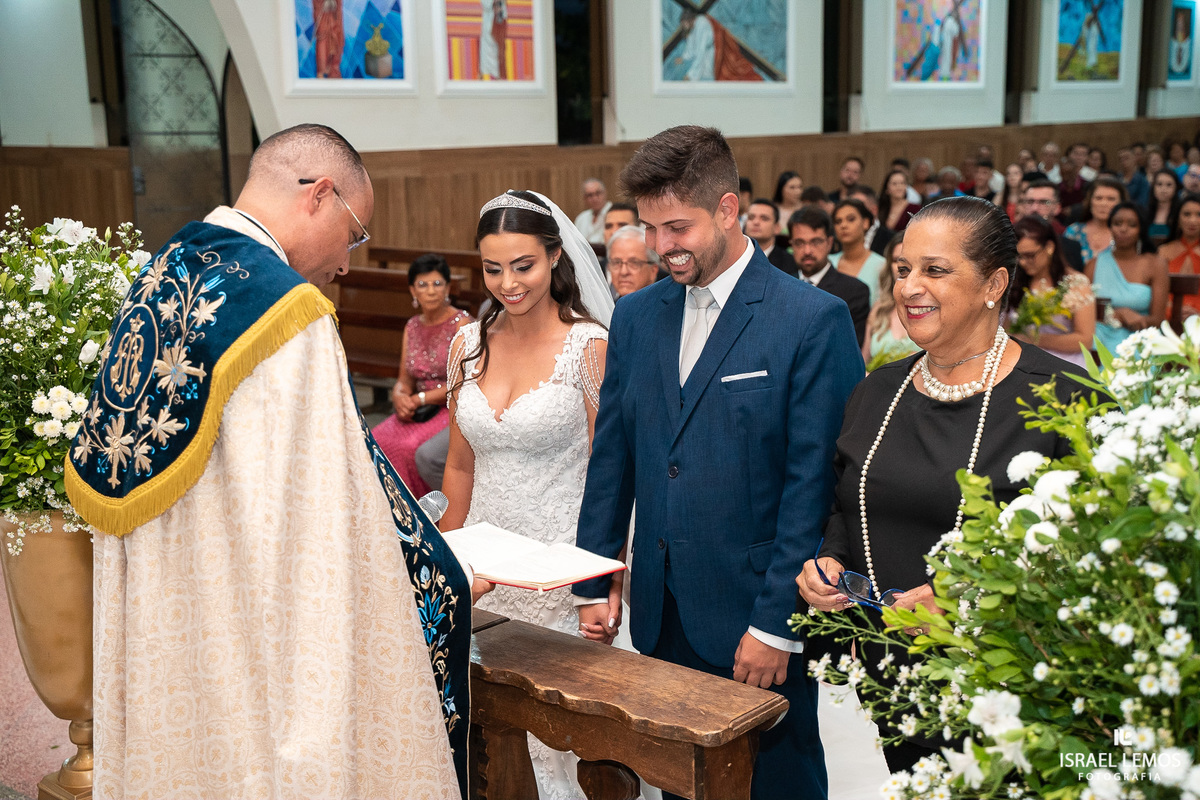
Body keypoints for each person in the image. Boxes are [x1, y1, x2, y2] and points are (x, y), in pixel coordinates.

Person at [64, 124, 469, 799]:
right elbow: (324, 524)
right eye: (355, 233)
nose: (346, 263)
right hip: (247, 638)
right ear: (320, 194)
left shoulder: (162, 273)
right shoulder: (287, 312)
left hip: (172, 623)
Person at [574, 125, 862, 800]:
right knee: (683, 786)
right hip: (663, 609)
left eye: (677, 227)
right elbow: (614, 456)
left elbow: (816, 487)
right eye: (649, 229)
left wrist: (776, 624)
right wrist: (597, 574)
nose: (661, 248)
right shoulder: (638, 316)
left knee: (775, 784)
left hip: (754, 614)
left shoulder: (810, 320)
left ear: (728, 210)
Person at [795, 196, 1097, 773]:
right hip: (896, 682)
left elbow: (1089, 554)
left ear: (994, 282)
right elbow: (848, 508)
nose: (910, 286)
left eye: (935, 270)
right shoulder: (876, 392)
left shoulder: (1062, 397)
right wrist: (828, 565)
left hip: (1014, 682)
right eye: (904, 268)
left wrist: (967, 597)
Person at [440, 189, 614, 799]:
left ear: (555, 257)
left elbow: (610, 473)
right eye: (493, 268)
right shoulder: (467, 345)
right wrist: (448, 563)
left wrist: (604, 580)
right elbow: (460, 467)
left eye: (523, 265)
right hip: (485, 567)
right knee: (493, 737)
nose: (508, 283)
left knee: (561, 741)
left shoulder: (588, 347)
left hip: (561, 570)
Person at [372, 254, 473, 496]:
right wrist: (399, 396)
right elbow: (404, 379)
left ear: (448, 288)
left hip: (452, 405)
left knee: (408, 448)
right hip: (420, 406)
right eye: (423, 284)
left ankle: (425, 514)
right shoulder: (412, 326)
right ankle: (393, 516)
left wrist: (420, 399)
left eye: (437, 284)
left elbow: (464, 382)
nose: (430, 291)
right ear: (412, 290)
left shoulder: (462, 324)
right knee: (375, 440)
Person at [1008, 215, 1096, 365]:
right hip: (1021, 362)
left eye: (1030, 255)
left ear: (1049, 247)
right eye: (1019, 256)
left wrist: (1033, 339)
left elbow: (1085, 339)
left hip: (1065, 363)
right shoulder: (1014, 281)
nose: (1023, 262)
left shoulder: (1075, 282)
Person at [1087, 202, 1169, 354]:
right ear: (1110, 227)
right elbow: (1083, 310)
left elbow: (1158, 319)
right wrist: (1115, 314)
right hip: (1100, 335)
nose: (1123, 229)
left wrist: (1134, 318)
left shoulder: (1155, 264)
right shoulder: (1094, 264)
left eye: (1131, 225)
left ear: (1141, 229)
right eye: (1117, 223)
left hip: (1140, 336)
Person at [788, 206, 870, 346]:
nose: (807, 251)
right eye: (800, 243)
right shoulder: (782, 285)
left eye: (816, 242)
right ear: (792, 245)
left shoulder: (854, 290)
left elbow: (849, 346)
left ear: (829, 243)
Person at [861, 232, 917, 368]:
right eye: (896, 260)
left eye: (907, 260)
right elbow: (863, 361)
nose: (901, 266)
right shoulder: (879, 308)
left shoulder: (931, 307)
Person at [830, 198, 887, 305]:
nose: (843, 225)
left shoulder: (881, 265)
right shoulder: (828, 262)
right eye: (838, 221)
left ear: (865, 223)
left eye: (851, 219)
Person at [1063, 176, 1128, 264]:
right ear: (1090, 201)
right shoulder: (1073, 232)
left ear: (1121, 204)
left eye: (1111, 199)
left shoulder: (1128, 234)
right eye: (1098, 198)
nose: (1103, 204)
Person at [1158, 193, 1200, 317]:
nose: (1192, 220)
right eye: (1187, 214)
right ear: (1178, 218)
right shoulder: (1163, 251)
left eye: (1199, 215)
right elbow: (1157, 292)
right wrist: (1173, 309)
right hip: (1167, 312)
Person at [745, 198, 797, 277]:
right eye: (751, 218)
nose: (756, 222)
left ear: (777, 227)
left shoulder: (790, 262)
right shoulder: (733, 257)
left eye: (764, 218)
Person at [608, 223, 663, 297]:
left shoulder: (669, 307)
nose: (623, 272)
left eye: (634, 263)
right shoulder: (603, 306)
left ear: (653, 270)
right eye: (616, 262)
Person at [1149, 169, 1182, 248]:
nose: (1163, 189)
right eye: (1159, 184)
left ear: (1176, 188)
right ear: (1153, 187)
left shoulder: (1181, 213)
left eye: (1169, 185)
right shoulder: (1144, 212)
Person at [574, 178, 612, 245]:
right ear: (584, 198)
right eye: (590, 195)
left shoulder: (615, 213)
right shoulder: (581, 218)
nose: (594, 198)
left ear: (605, 193)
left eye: (598, 193)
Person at [1117, 146, 1150, 210]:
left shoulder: (1142, 180)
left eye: (1126, 158)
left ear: (1134, 159)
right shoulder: (1116, 179)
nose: (1123, 161)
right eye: (1120, 159)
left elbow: (1143, 203)